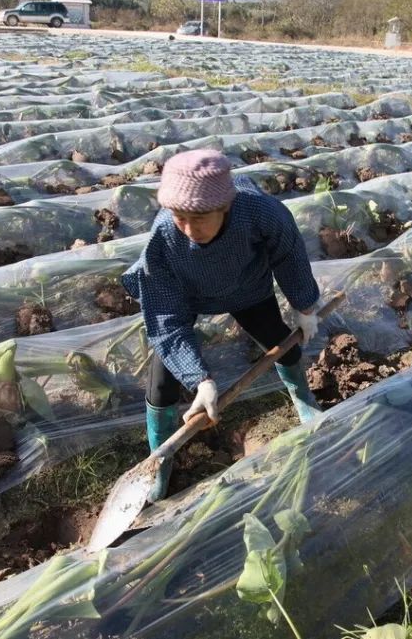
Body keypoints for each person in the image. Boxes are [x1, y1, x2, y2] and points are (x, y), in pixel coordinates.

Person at [121, 149, 324, 501]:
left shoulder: (260, 212)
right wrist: (200, 380)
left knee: (280, 342)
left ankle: (303, 397)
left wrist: (304, 306)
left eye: (198, 218)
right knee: (162, 382)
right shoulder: (164, 238)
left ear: (225, 207)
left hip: (248, 288)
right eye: (179, 217)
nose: (188, 228)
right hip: (188, 295)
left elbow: (288, 253)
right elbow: (166, 318)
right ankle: (160, 456)